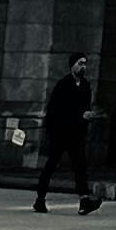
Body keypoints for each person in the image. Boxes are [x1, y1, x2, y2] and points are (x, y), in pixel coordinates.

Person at [33, 55, 97, 216]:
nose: (83, 67)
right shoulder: (63, 85)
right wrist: (80, 115)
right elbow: (57, 109)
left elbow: (85, 106)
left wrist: (87, 116)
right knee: (51, 166)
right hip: (61, 133)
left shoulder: (85, 85)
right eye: (80, 64)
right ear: (72, 66)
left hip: (76, 134)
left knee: (80, 167)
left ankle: (85, 200)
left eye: (85, 64)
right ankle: (40, 199)